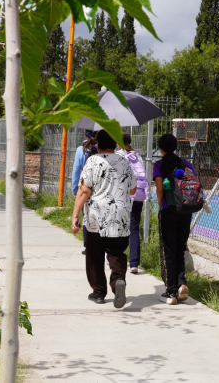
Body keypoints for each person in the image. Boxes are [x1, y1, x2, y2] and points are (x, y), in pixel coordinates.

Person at [72, 129, 136, 308]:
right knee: (117, 253)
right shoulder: (124, 161)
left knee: (94, 253)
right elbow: (132, 190)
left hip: (96, 216)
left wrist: (75, 215)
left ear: (98, 144)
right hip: (120, 215)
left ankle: (99, 292)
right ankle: (117, 282)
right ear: (115, 143)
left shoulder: (93, 161)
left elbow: (84, 190)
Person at [153, 133, 195, 305]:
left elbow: (159, 189)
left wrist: (159, 203)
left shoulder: (159, 165)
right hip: (186, 210)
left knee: (169, 250)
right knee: (180, 248)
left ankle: (171, 291)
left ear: (161, 149)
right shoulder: (186, 163)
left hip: (168, 210)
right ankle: (182, 284)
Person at [116, 131, 147, 274]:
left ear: (118, 142)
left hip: (122, 196)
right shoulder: (137, 156)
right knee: (133, 229)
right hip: (137, 195)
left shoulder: (118, 155)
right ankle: (134, 263)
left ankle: (115, 257)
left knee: (118, 226)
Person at [72, 130, 97, 254]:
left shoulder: (80, 150)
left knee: (86, 215)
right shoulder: (101, 149)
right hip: (98, 185)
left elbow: (76, 171)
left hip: (84, 184)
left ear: (85, 134)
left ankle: (88, 246)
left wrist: (75, 191)